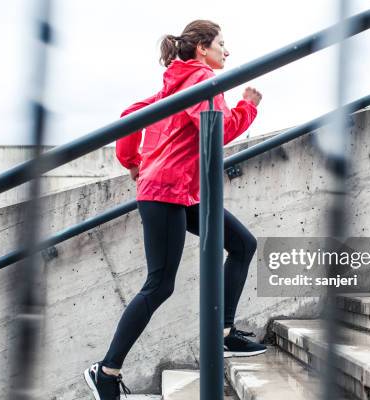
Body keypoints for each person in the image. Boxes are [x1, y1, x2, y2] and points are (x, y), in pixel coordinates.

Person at [83, 20, 265, 400]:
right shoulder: (201, 79)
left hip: (178, 193)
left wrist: (132, 160)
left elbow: (132, 114)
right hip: (167, 193)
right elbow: (217, 130)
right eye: (221, 44)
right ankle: (106, 371)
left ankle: (225, 333)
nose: (226, 52)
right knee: (159, 285)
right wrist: (249, 104)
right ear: (202, 48)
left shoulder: (177, 81)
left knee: (243, 245)